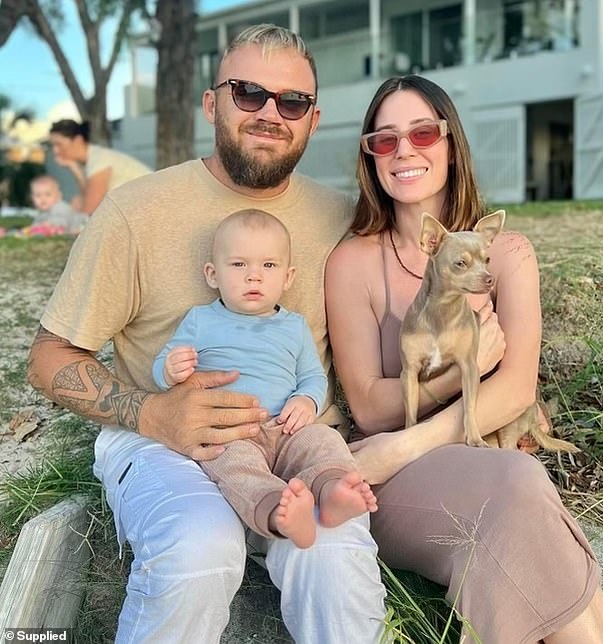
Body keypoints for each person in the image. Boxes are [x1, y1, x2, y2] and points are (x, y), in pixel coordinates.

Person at [27, 24, 388, 644]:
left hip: (297, 440)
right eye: (248, 92)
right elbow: (49, 356)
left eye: (291, 101)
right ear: (211, 102)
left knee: (334, 558)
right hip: (164, 445)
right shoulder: (136, 212)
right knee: (200, 547)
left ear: (313, 118)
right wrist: (149, 412)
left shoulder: (343, 219)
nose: (270, 113)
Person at [325, 75, 603, 644]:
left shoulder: (506, 253)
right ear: (371, 158)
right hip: (391, 484)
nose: (404, 150)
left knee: (517, 479)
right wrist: (457, 371)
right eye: (384, 140)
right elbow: (369, 404)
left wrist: (407, 444)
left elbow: (515, 390)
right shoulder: (352, 263)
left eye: (422, 133)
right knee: (518, 480)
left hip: (404, 456)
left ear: (451, 143)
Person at [153, 208, 377, 550]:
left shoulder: (294, 326)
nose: (253, 277)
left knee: (324, 443)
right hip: (229, 431)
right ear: (212, 274)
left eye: (268, 266)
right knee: (233, 466)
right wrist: (171, 368)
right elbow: (161, 369)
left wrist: (307, 400)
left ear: (288, 278)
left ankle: (334, 492)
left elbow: (313, 377)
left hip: (288, 429)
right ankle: (279, 511)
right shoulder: (200, 320)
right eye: (239, 265)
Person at [48, 119, 151, 215]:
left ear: (78, 140)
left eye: (59, 144)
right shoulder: (91, 160)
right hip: (142, 211)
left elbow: (90, 211)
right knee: (77, 201)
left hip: (152, 209)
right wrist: (73, 167)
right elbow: (87, 197)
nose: (55, 151)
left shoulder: (99, 159)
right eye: (53, 145)